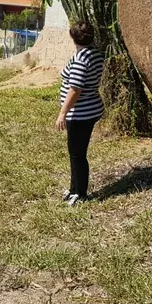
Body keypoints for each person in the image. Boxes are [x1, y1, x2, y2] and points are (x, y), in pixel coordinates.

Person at [55, 21, 105, 206]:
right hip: (90, 109)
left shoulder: (81, 60)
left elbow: (75, 89)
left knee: (77, 154)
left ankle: (81, 193)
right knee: (75, 152)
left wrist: (62, 113)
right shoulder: (94, 54)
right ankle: (74, 188)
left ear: (72, 37)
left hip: (80, 114)